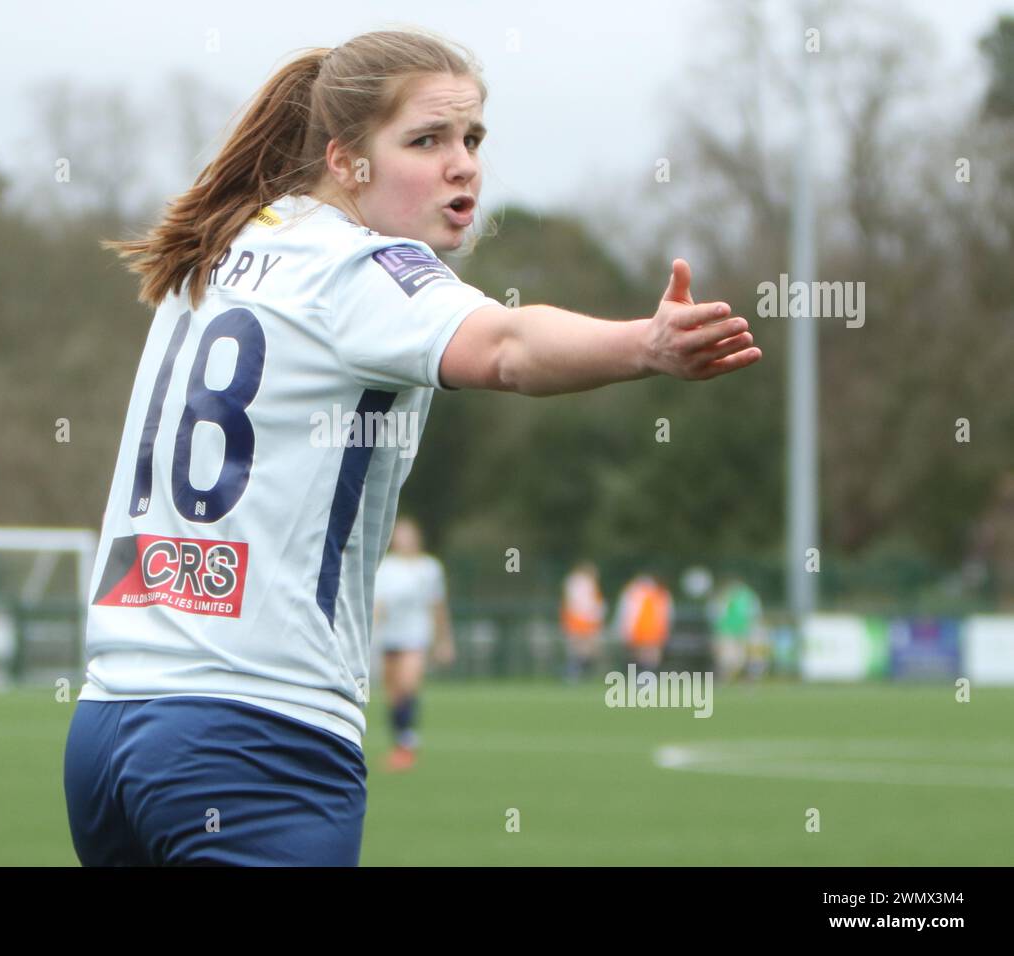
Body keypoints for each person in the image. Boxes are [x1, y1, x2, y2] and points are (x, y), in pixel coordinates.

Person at [63, 28, 762, 867]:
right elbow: (507, 347)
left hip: (107, 731)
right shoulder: (360, 269)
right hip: (252, 739)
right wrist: (644, 344)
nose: (463, 165)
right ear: (346, 159)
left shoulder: (221, 252)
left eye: (473, 138)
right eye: (426, 140)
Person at [371, 516, 454, 772]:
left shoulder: (429, 568)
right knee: (394, 695)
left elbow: (438, 606)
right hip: (389, 636)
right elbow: (378, 605)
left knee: (408, 686)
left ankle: (408, 744)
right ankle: (400, 745)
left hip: (416, 636)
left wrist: (444, 640)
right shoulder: (386, 567)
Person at [616, 573, 674, 673]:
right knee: (644, 653)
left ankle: (646, 672)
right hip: (643, 630)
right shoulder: (640, 594)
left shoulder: (657, 594)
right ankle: (644, 672)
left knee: (648, 653)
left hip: (650, 630)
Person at [559, 561, 605, 682]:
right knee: (580, 649)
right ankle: (573, 673)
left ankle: (576, 673)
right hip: (580, 621)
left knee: (583, 650)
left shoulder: (579, 583)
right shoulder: (581, 583)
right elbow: (583, 605)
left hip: (581, 621)